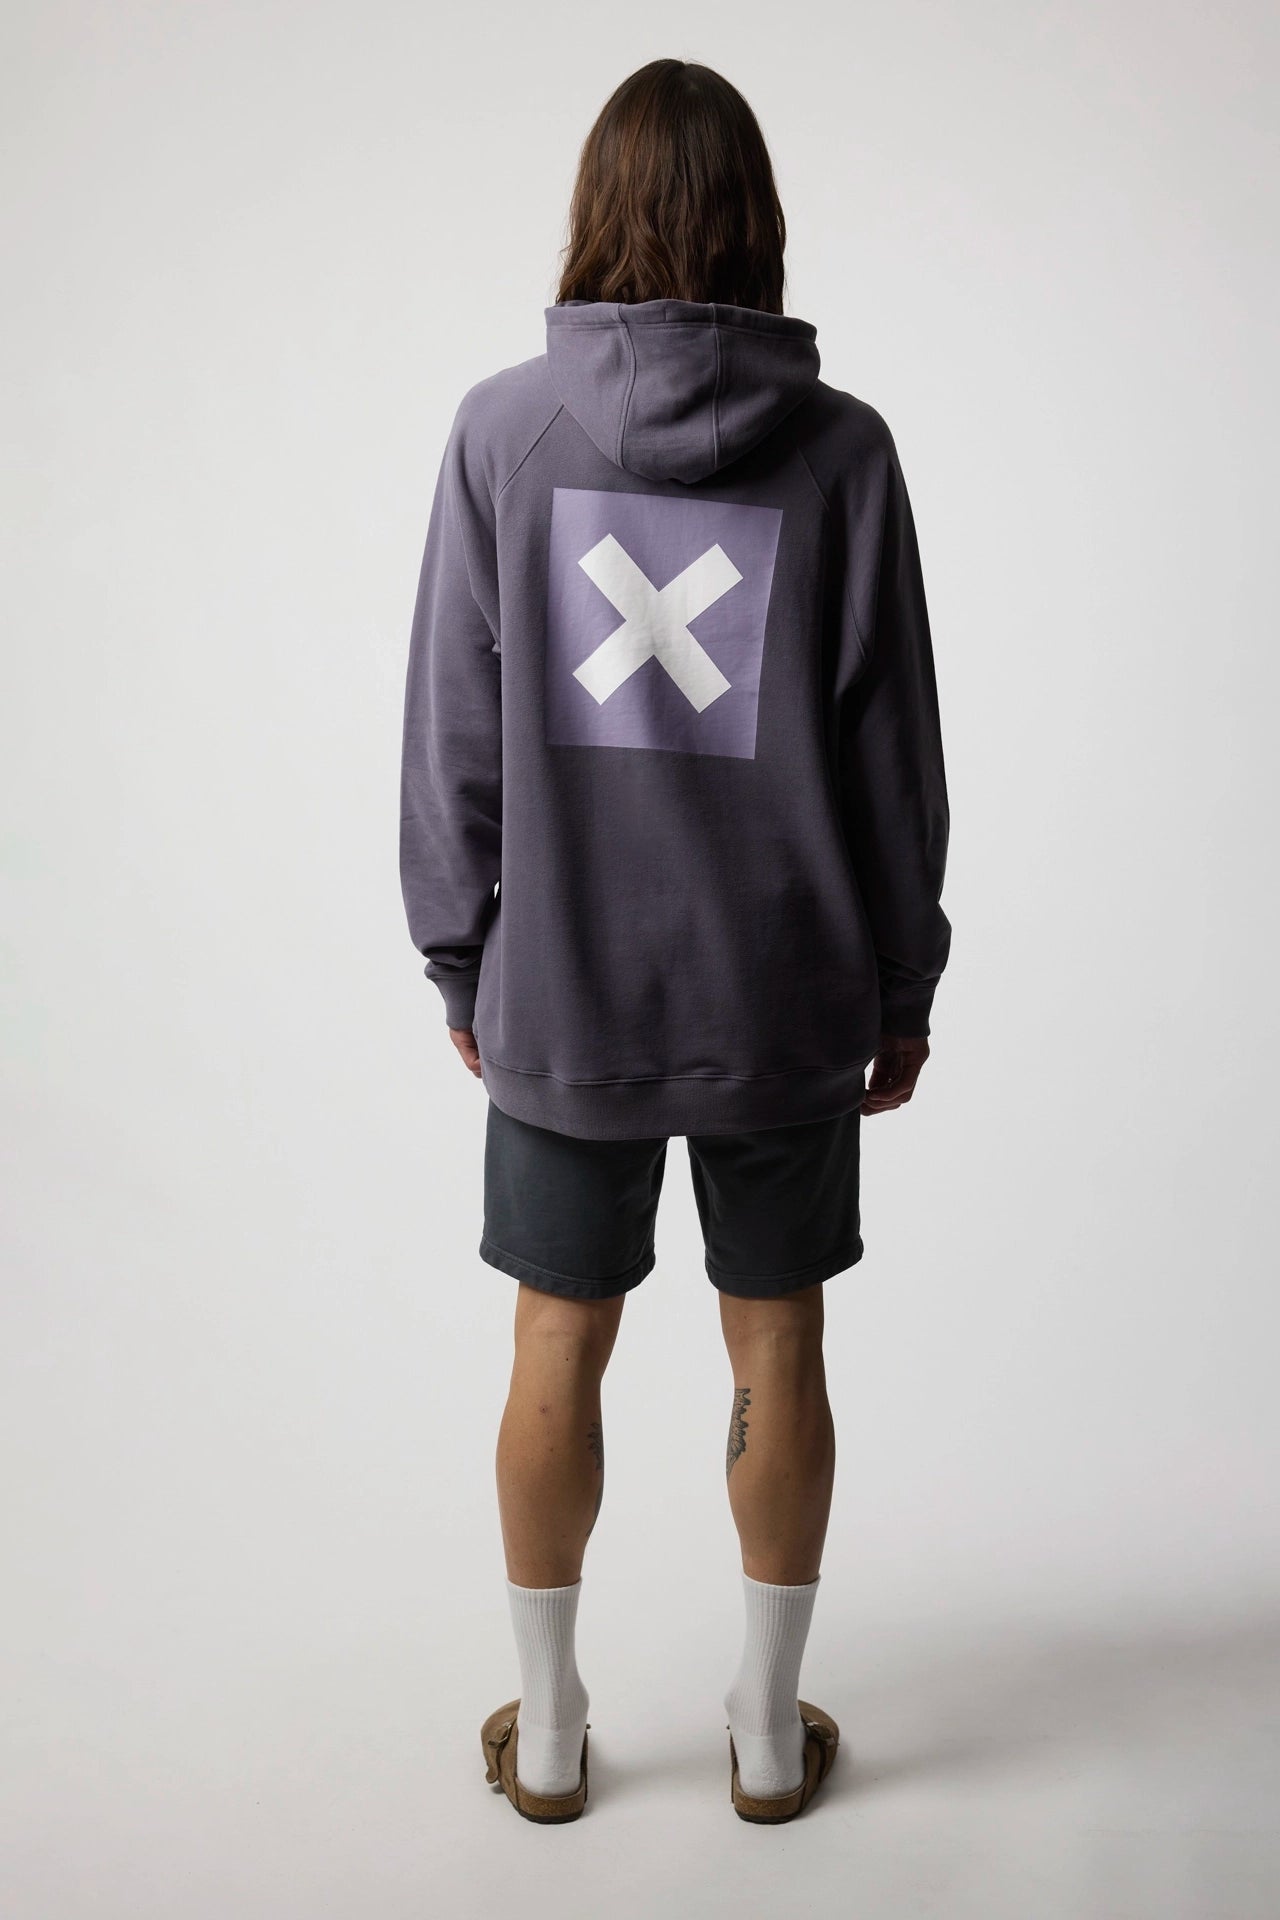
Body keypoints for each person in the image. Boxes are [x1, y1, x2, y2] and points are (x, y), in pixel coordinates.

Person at [399, 58, 950, 1825]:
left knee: (554, 1342)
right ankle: (769, 1735)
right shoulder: (845, 454)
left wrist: (461, 957)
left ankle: (553, 1731)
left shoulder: (502, 437)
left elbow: (452, 735)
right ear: (757, 222)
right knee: (775, 1344)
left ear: (596, 210)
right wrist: (902, 982)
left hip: (566, 987)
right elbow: (894, 756)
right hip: (782, 995)